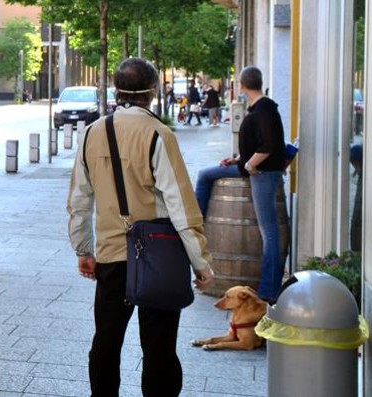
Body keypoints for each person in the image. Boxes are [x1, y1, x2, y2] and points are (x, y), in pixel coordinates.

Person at [67, 58, 214, 397]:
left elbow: (78, 198)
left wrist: (83, 249)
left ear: (117, 92)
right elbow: (180, 203)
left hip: (110, 253)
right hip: (158, 256)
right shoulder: (159, 134)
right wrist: (200, 261)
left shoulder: (92, 132)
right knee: (159, 346)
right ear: (152, 92)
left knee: (106, 339)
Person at [193, 66, 285, 303]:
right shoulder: (257, 109)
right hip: (252, 168)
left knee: (269, 232)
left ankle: (268, 290)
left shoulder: (265, 110)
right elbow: (257, 144)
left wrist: (250, 166)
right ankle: (194, 221)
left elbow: (268, 145)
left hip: (262, 174)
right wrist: (237, 160)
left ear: (242, 86)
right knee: (206, 175)